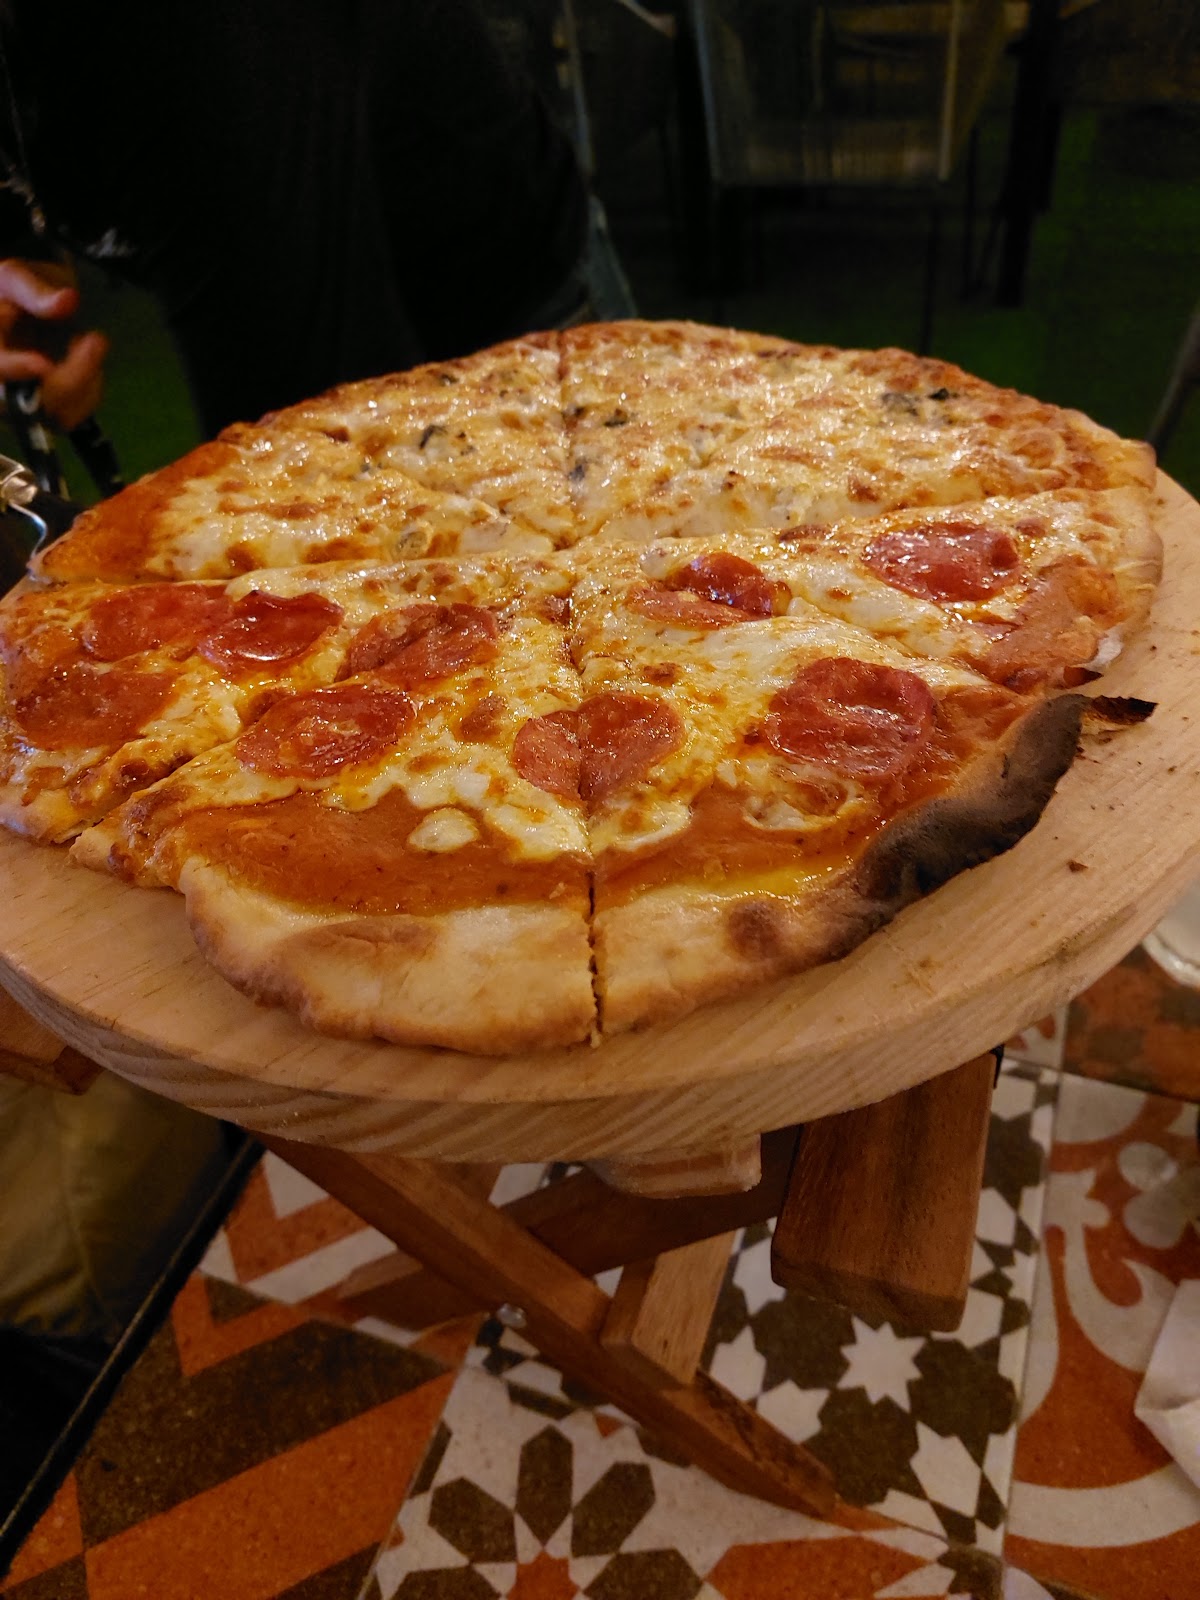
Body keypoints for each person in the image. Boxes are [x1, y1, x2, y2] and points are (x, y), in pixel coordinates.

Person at [0, 0, 609, 437]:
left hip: (492, 303)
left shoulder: (189, 29)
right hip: (300, 271)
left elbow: (314, 437)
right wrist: (20, 264)